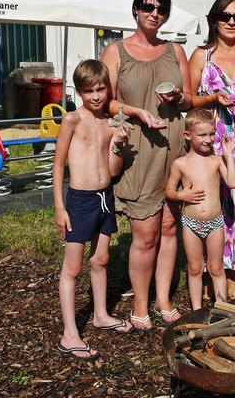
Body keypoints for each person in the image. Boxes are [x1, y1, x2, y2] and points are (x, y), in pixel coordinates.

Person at [101, 0, 194, 331]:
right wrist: (137, 112)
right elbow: (105, 100)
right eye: (148, 7)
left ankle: (164, 299)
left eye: (162, 9)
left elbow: (188, 98)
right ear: (136, 10)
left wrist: (178, 100)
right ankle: (140, 305)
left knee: (169, 226)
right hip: (137, 145)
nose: (155, 14)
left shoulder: (176, 51)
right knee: (145, 233)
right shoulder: (116, 51)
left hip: (172, 145)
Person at [53, 60, 134, 361]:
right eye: (89, 91)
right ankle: (69, 334)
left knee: (101, 259)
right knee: (72, 268)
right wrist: (60, 207)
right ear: (79, 92)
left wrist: (118, 145)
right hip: (79, 200)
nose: (96, 96)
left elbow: (113, 172)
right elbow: (58, 163)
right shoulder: (73, 119)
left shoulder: (110, 123)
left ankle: (100, 314)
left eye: (101, 89)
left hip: (104, 197)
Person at [188, 0, 235, 300]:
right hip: (207, 145)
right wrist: (212, 100)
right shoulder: (201, 56)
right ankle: (207, 272)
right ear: (214, 19)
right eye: (225, 15)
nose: (231, 21)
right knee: (208, 208)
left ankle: (232, 274)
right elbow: (186, 99)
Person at [165, 109, 235, 309]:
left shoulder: (216, 160)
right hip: (191, 224)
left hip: (215, 223)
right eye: (202, 135)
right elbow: (169, 191)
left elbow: (233, 182)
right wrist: (181, 195)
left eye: (212, 134)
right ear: (187, 135)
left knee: (216, 267)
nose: (209, 139)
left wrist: (228, 155)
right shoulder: (180, 164)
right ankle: (196, 310)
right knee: (195, 268)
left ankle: (224, 308)